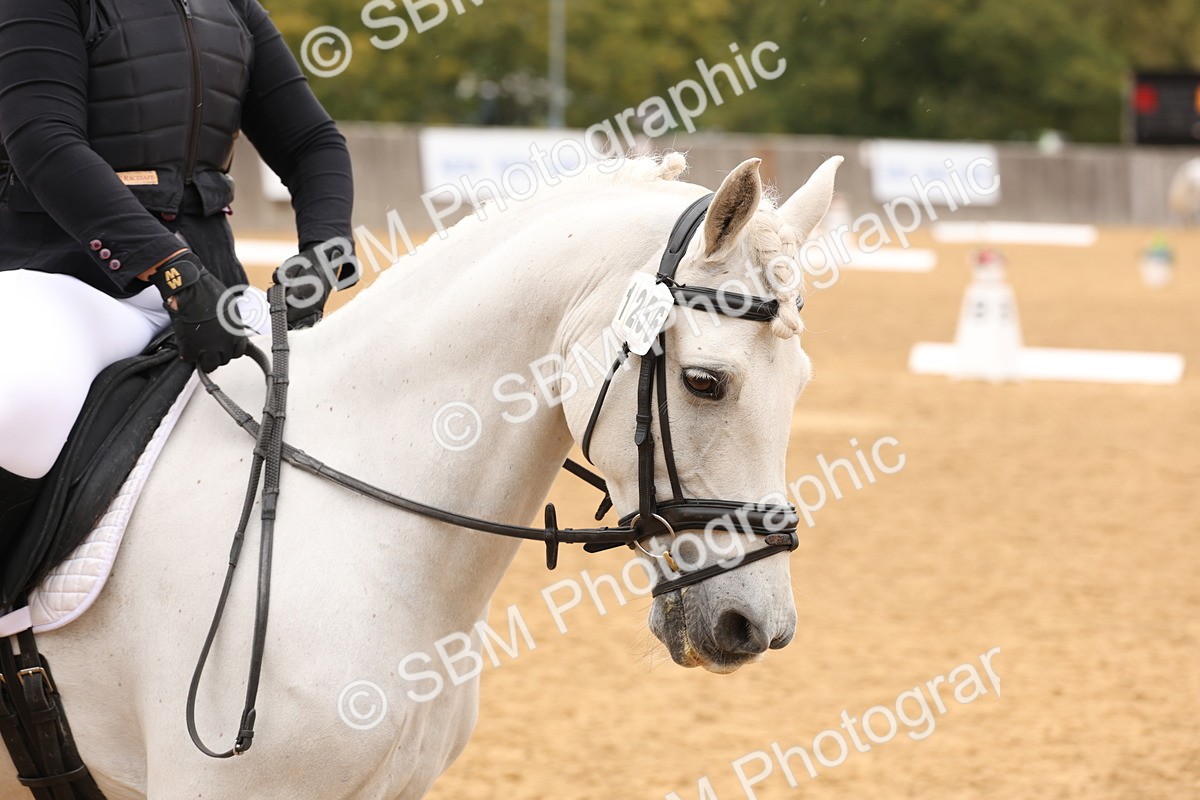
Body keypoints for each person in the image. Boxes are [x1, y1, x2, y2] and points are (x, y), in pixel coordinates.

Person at [0, 0, 355, 543]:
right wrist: (168, 269)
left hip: (211, 282)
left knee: (340, 406)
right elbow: (44, 142)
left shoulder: (232, 7)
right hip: (67, 279)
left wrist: (324, 254)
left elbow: (313, 144)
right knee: (21, 406)